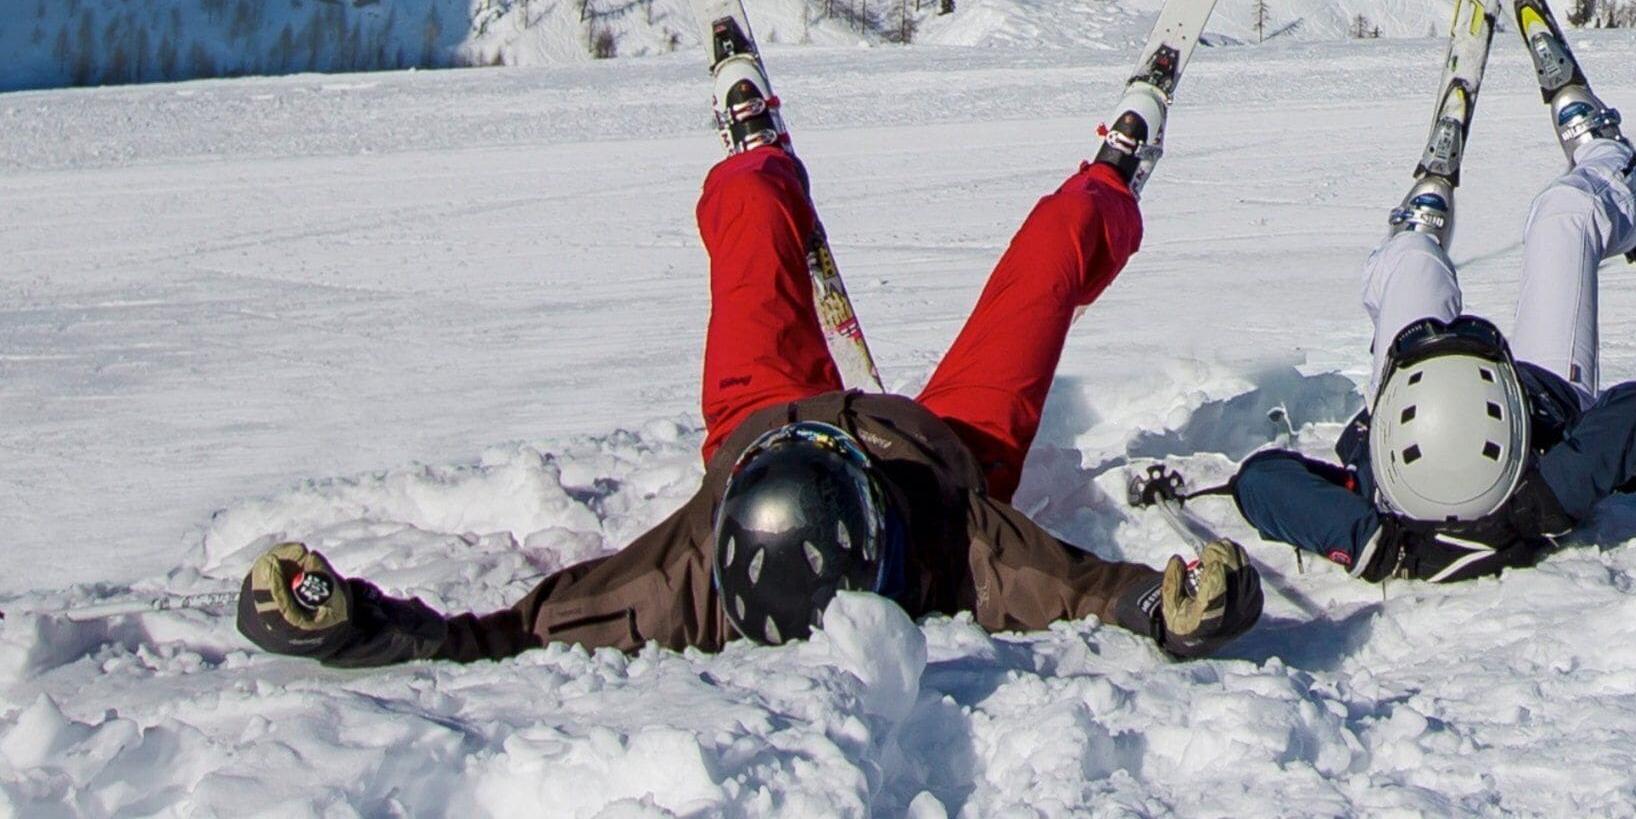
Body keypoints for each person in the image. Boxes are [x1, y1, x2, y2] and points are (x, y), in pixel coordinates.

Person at [237, 117, 1261, 665]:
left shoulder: (674, 577)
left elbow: (506, 635)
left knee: (752, 223)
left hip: (758, 416)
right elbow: (1086, 591)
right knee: (1048, 263)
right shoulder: (960, 544)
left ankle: (756, 159)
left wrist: (349, 622)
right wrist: (1175, 609)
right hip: (939, 448)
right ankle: (1110, 179)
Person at [1228, 138, 1636, 583]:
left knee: (1411, 259)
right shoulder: (1549, 493)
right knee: (1568, 213)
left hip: (1413, 375)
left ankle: (1412, 238)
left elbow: (1259, 480)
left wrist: (1380, 547)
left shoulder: (1388, 509)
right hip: (1545, 386)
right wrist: (1537, 505)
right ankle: (1612, 162)